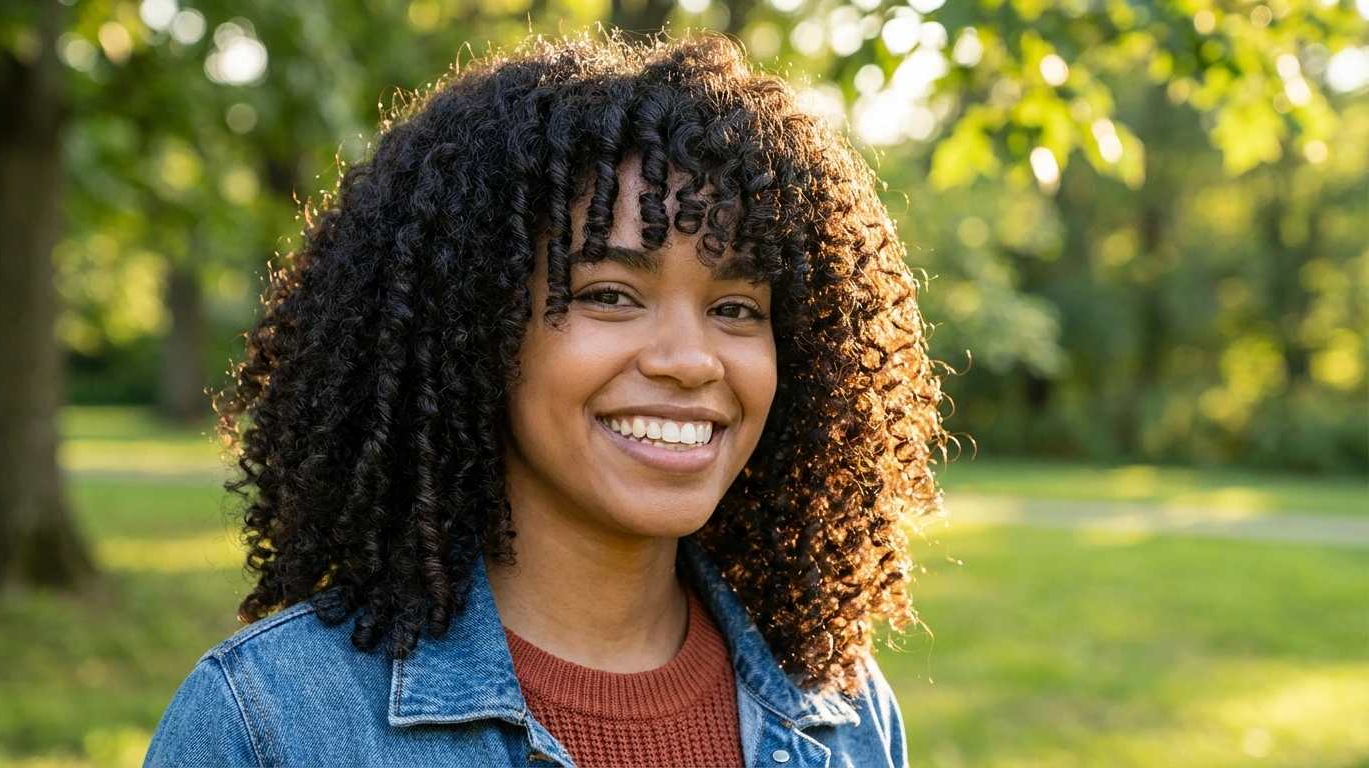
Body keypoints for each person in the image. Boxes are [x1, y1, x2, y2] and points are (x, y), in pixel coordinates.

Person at [144, 31, 946, 768]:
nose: (689, 361)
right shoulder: (272, 721)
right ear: (475, 325)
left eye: (736, 308)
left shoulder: (844, 717)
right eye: (609, 294)